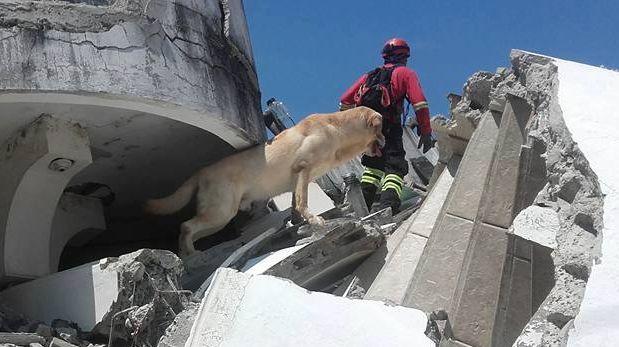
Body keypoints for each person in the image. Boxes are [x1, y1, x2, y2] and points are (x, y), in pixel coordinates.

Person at [339, 38, 433, 214]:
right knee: (395, 168)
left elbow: (345, 99)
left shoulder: (370, 76)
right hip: (389, 127)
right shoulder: (406, 74)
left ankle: (362, 207)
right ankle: (388, 207)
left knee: (372, 168)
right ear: (405, 56)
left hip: (367, 130)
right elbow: (420, 104)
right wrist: (426, 131)